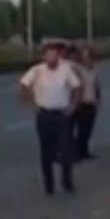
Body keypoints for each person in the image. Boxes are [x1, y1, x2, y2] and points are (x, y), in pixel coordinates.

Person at [19, 39, 83, 196]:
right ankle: (49, 183)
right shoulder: (37, 70)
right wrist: (31, 104)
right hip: (44, 114)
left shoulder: (66, 69)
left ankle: (67, 181)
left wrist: (73, 105)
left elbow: (78, 87)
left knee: (65, 148)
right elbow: (23, 85)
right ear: (44, 56)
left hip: (62, 114)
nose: (52, 58)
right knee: (46, 150)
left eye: (55, 54)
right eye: (48, 55)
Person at [69, 45, 101, 160]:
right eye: (85, 56)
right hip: (80, 103)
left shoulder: (93, 71)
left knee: (87, 130)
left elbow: (96, 87)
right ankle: (75, 153)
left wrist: (98, 101)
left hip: (91, 103)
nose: (87, 59)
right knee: (78, 129)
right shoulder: (77, 69)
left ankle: (84, 151)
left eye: (89, 57)